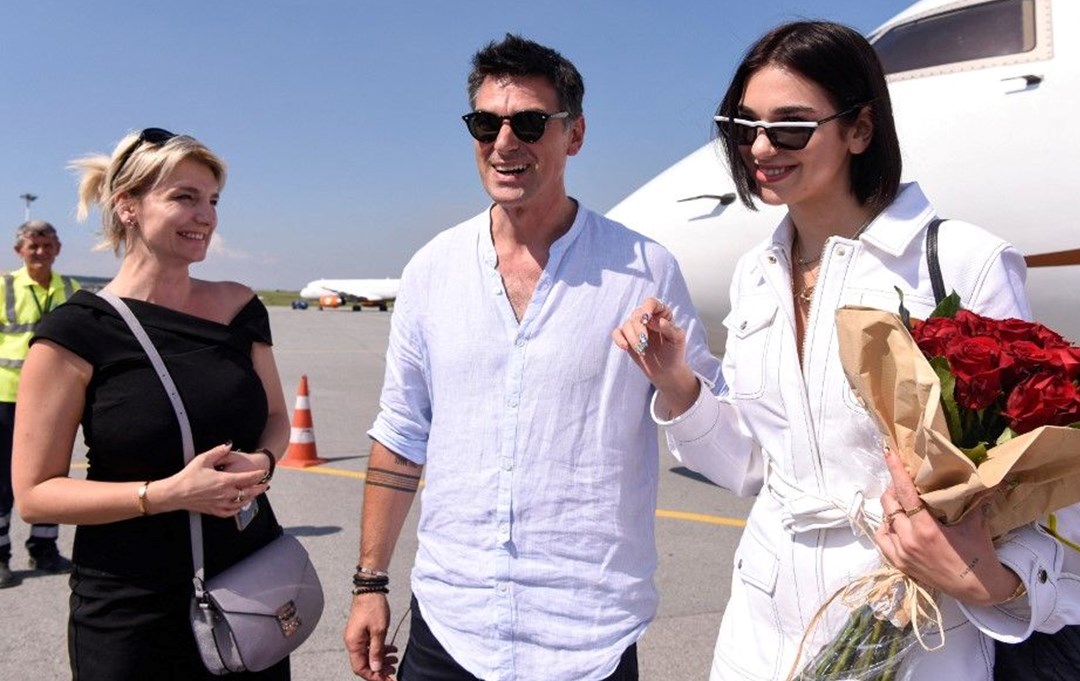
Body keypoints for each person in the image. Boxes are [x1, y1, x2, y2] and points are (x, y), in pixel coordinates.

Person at [613, 21, 1080, 680]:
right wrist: (678, 385)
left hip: (915, 628)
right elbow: (755, 468)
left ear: (860, 130)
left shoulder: (962, 262)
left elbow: (1045, 492)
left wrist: (990, 579)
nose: (761, 146)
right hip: (759, 633)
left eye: (791, 126)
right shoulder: (756, 275)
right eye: (744, 126)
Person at [342, 34, 721, 681]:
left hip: (585, 634)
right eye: (485, 124)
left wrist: (676, 380)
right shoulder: (432, 270)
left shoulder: (643, 270)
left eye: (529, 123)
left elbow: (709, 432)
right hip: (451, 622)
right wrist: (369, 581)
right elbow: (401, 434)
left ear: (574, 135)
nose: (504, 142)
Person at [11, 128, 291, 680]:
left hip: (249, 586)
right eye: (184, 197)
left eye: (213, 200)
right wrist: (165, 494)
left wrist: (263, 461)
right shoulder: (76, 331)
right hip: (133, 607)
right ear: (128, 206)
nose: (206, 216)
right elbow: (35, 495)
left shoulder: (240, 308)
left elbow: (278, 418)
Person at [0, 220, 79, 588]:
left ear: (58, 249)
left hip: (56, 399)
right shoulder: (5, 287)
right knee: (2, 479)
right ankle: (1, 556)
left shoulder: (71, 289)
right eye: (34, 246)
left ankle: (44, 549)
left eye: (48, 246)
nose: (41, 252)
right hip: (7, 395)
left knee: (51, 475)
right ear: (19, 250)